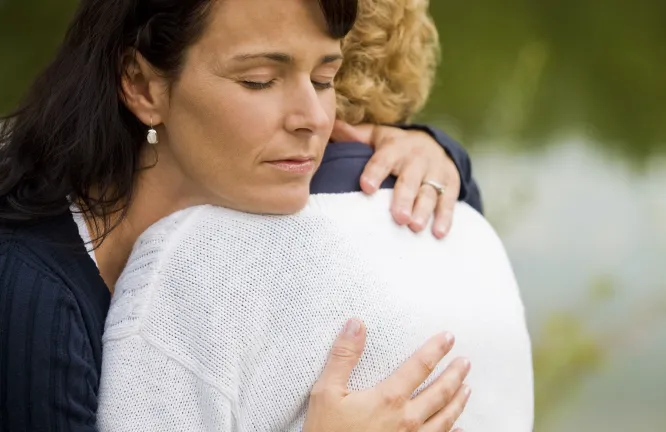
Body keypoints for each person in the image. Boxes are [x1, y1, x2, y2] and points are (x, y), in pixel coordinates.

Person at [0, 0, 482, 430]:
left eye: (323, 79)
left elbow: (455, 248)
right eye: (259, 82)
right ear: (142, 86)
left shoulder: (254, 177)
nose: (313, 117)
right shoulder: (32, 296)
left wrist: (429, 149)